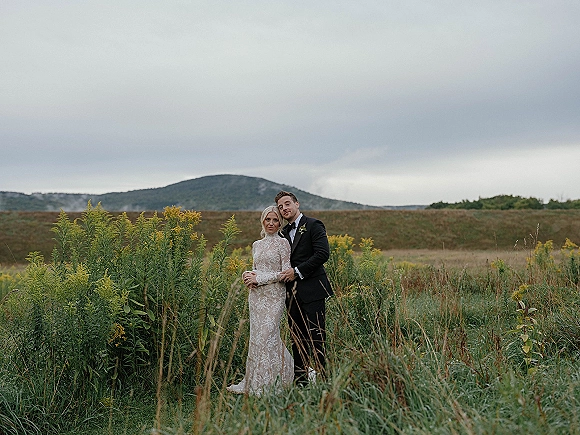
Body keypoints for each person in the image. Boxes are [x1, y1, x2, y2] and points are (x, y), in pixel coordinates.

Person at [227, 205, 294, 395]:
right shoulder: (256, 244)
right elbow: (256, 268)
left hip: (274, 296)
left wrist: (260, 278)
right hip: (256, 297)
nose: (271, 223)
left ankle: (282, 380)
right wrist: (247, 276)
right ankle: (256, 380)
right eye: (268, 220)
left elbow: (285, 273)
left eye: (275, 220)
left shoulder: (283, 244)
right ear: (262, 221)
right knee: (257, 338)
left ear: (280, 223)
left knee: (268, 336)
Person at [275, 190, 333, 385]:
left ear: (297, 204)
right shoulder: (282, 233)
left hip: (313, 290)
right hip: (291, 294)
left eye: (287, 204)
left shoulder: (314, 225)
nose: (284, 209)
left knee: (317, 336)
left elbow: (322, 254)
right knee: (296, 337)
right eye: (280, 207)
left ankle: (324, 380)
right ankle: (301, 381)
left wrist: (297, 271)